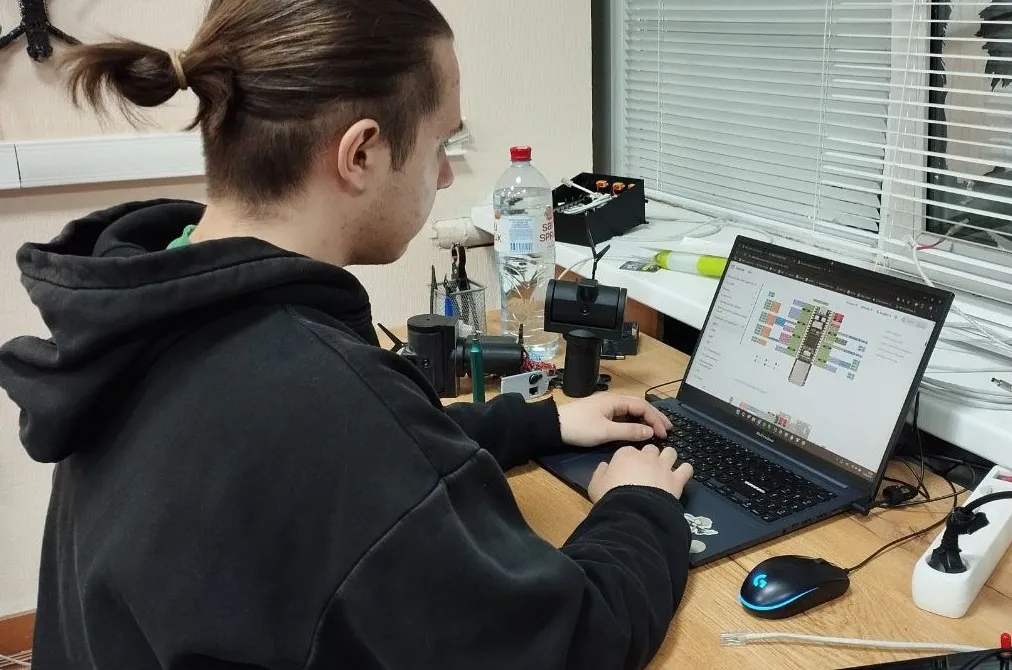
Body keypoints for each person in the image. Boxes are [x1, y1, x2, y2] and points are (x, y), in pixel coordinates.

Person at [0, 1, 696, 668]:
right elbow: (568, 643)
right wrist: (640, 504)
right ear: (360, 153)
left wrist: (544, 422)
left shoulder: (158, 304)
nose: (445, 174)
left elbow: (365, 458)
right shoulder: (323, 408)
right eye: (441, 143)